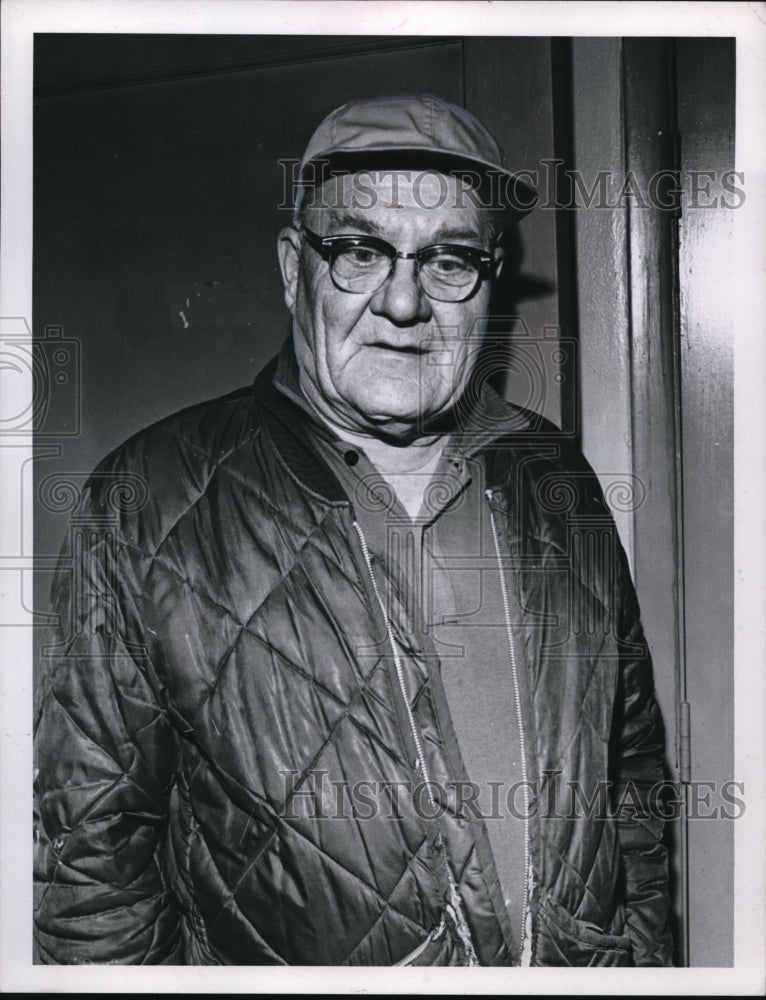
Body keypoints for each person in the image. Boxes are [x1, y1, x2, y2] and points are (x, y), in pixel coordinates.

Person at [33, 94, 672, 966]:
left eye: (449, 261)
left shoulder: (556, 476)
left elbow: (632, 785)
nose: (404, 302)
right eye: (361, 251)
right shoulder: (147, 499)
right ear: (295, 268)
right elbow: (95, 874)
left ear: (488, 281)